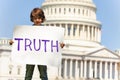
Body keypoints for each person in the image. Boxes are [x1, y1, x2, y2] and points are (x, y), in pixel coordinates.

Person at [9, 7, 65, 80]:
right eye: (35, 19)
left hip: (42, 55)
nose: (37, 20)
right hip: (30, 54)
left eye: (39, 18)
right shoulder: (28, 30)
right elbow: (22, 40)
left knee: (43, 74)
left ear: (42, 19)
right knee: (28, 74)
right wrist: (13, 42)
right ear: (32, 19)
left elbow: (52, 41)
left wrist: (60, 45)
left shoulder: (47, 31)